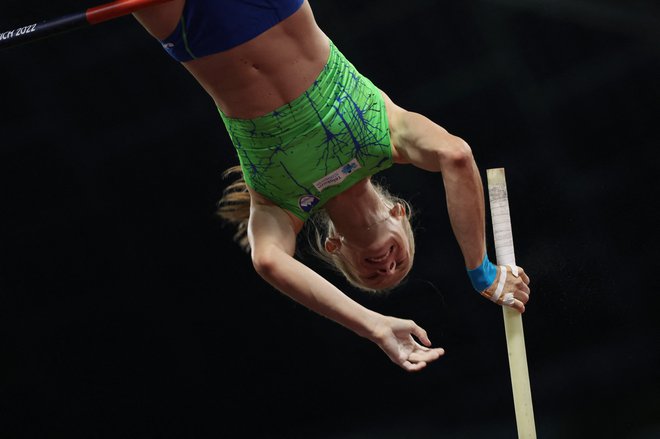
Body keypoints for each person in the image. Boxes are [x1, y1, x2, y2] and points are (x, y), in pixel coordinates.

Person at [132, 0, 531, 372]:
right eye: (401, 262)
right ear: (401, 213)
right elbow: (457, 156)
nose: (387, 266)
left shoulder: (281, 200)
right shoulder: (387, 135)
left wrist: (372, 326)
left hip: (194, 34)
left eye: (374, 276)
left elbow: (269, 261)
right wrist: (481, 271)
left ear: (333, 246)